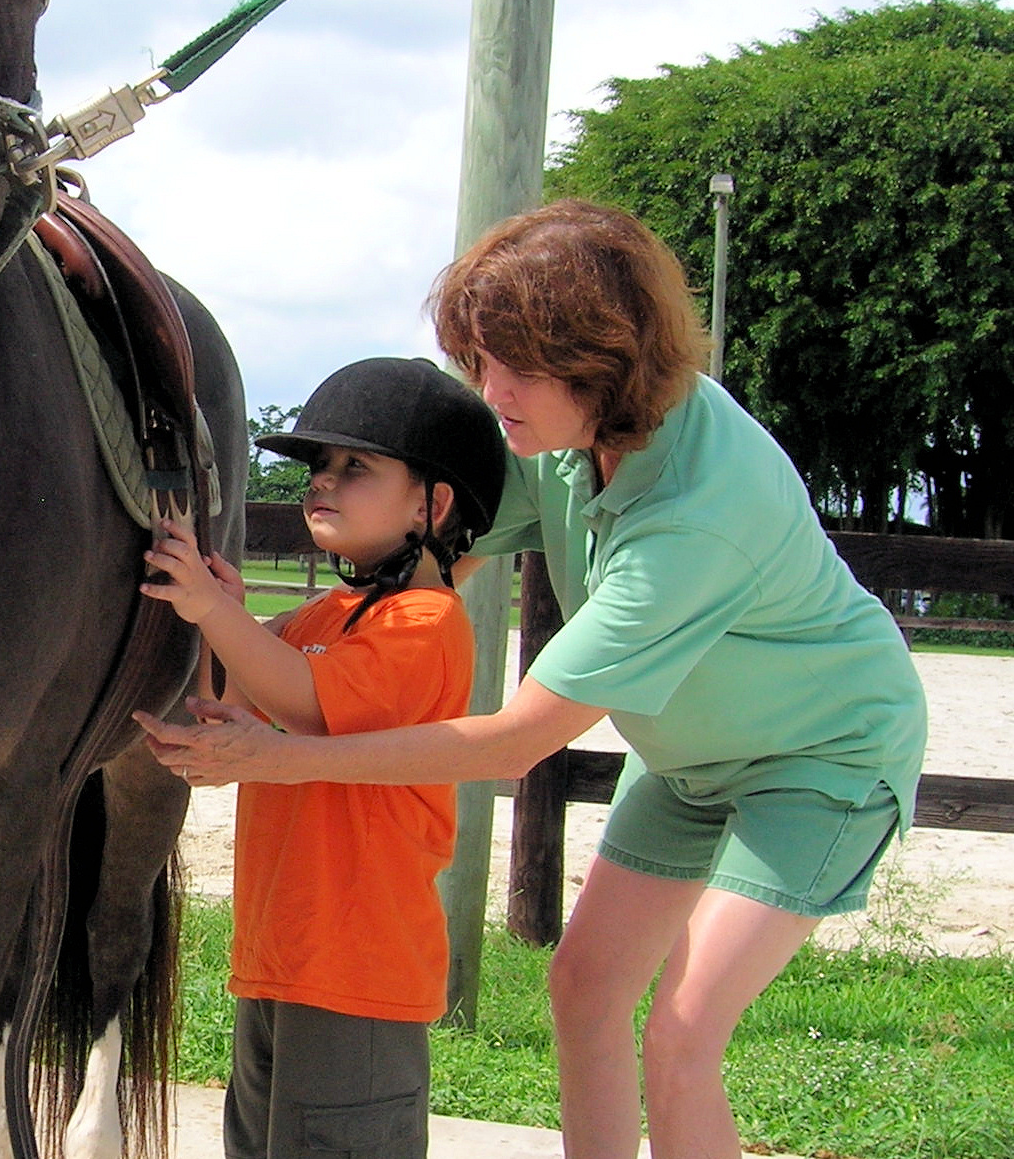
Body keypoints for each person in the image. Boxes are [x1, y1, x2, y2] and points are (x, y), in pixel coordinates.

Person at [137, 200, 928, 1159]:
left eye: (512, 365)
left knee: (680, 1034)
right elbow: (424, 576)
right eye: (477, 360)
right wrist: (260, 636)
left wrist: (275, 757)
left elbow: (516, 738)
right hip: (685, 763)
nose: (489, 390)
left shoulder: (692, 518)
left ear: (602, 362)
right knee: (584, 989)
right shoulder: (556, 439)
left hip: (820, 756)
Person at [135, 357, 506, 1159]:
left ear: (430, 504)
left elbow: (304, 701)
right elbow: (230, 689)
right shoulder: (325, 613)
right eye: (317, 468)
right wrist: (217, 620)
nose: (321, 483)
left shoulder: (423, 619)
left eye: (354, 466)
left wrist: (208, 606)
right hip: (280, 960)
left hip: (358, 976)